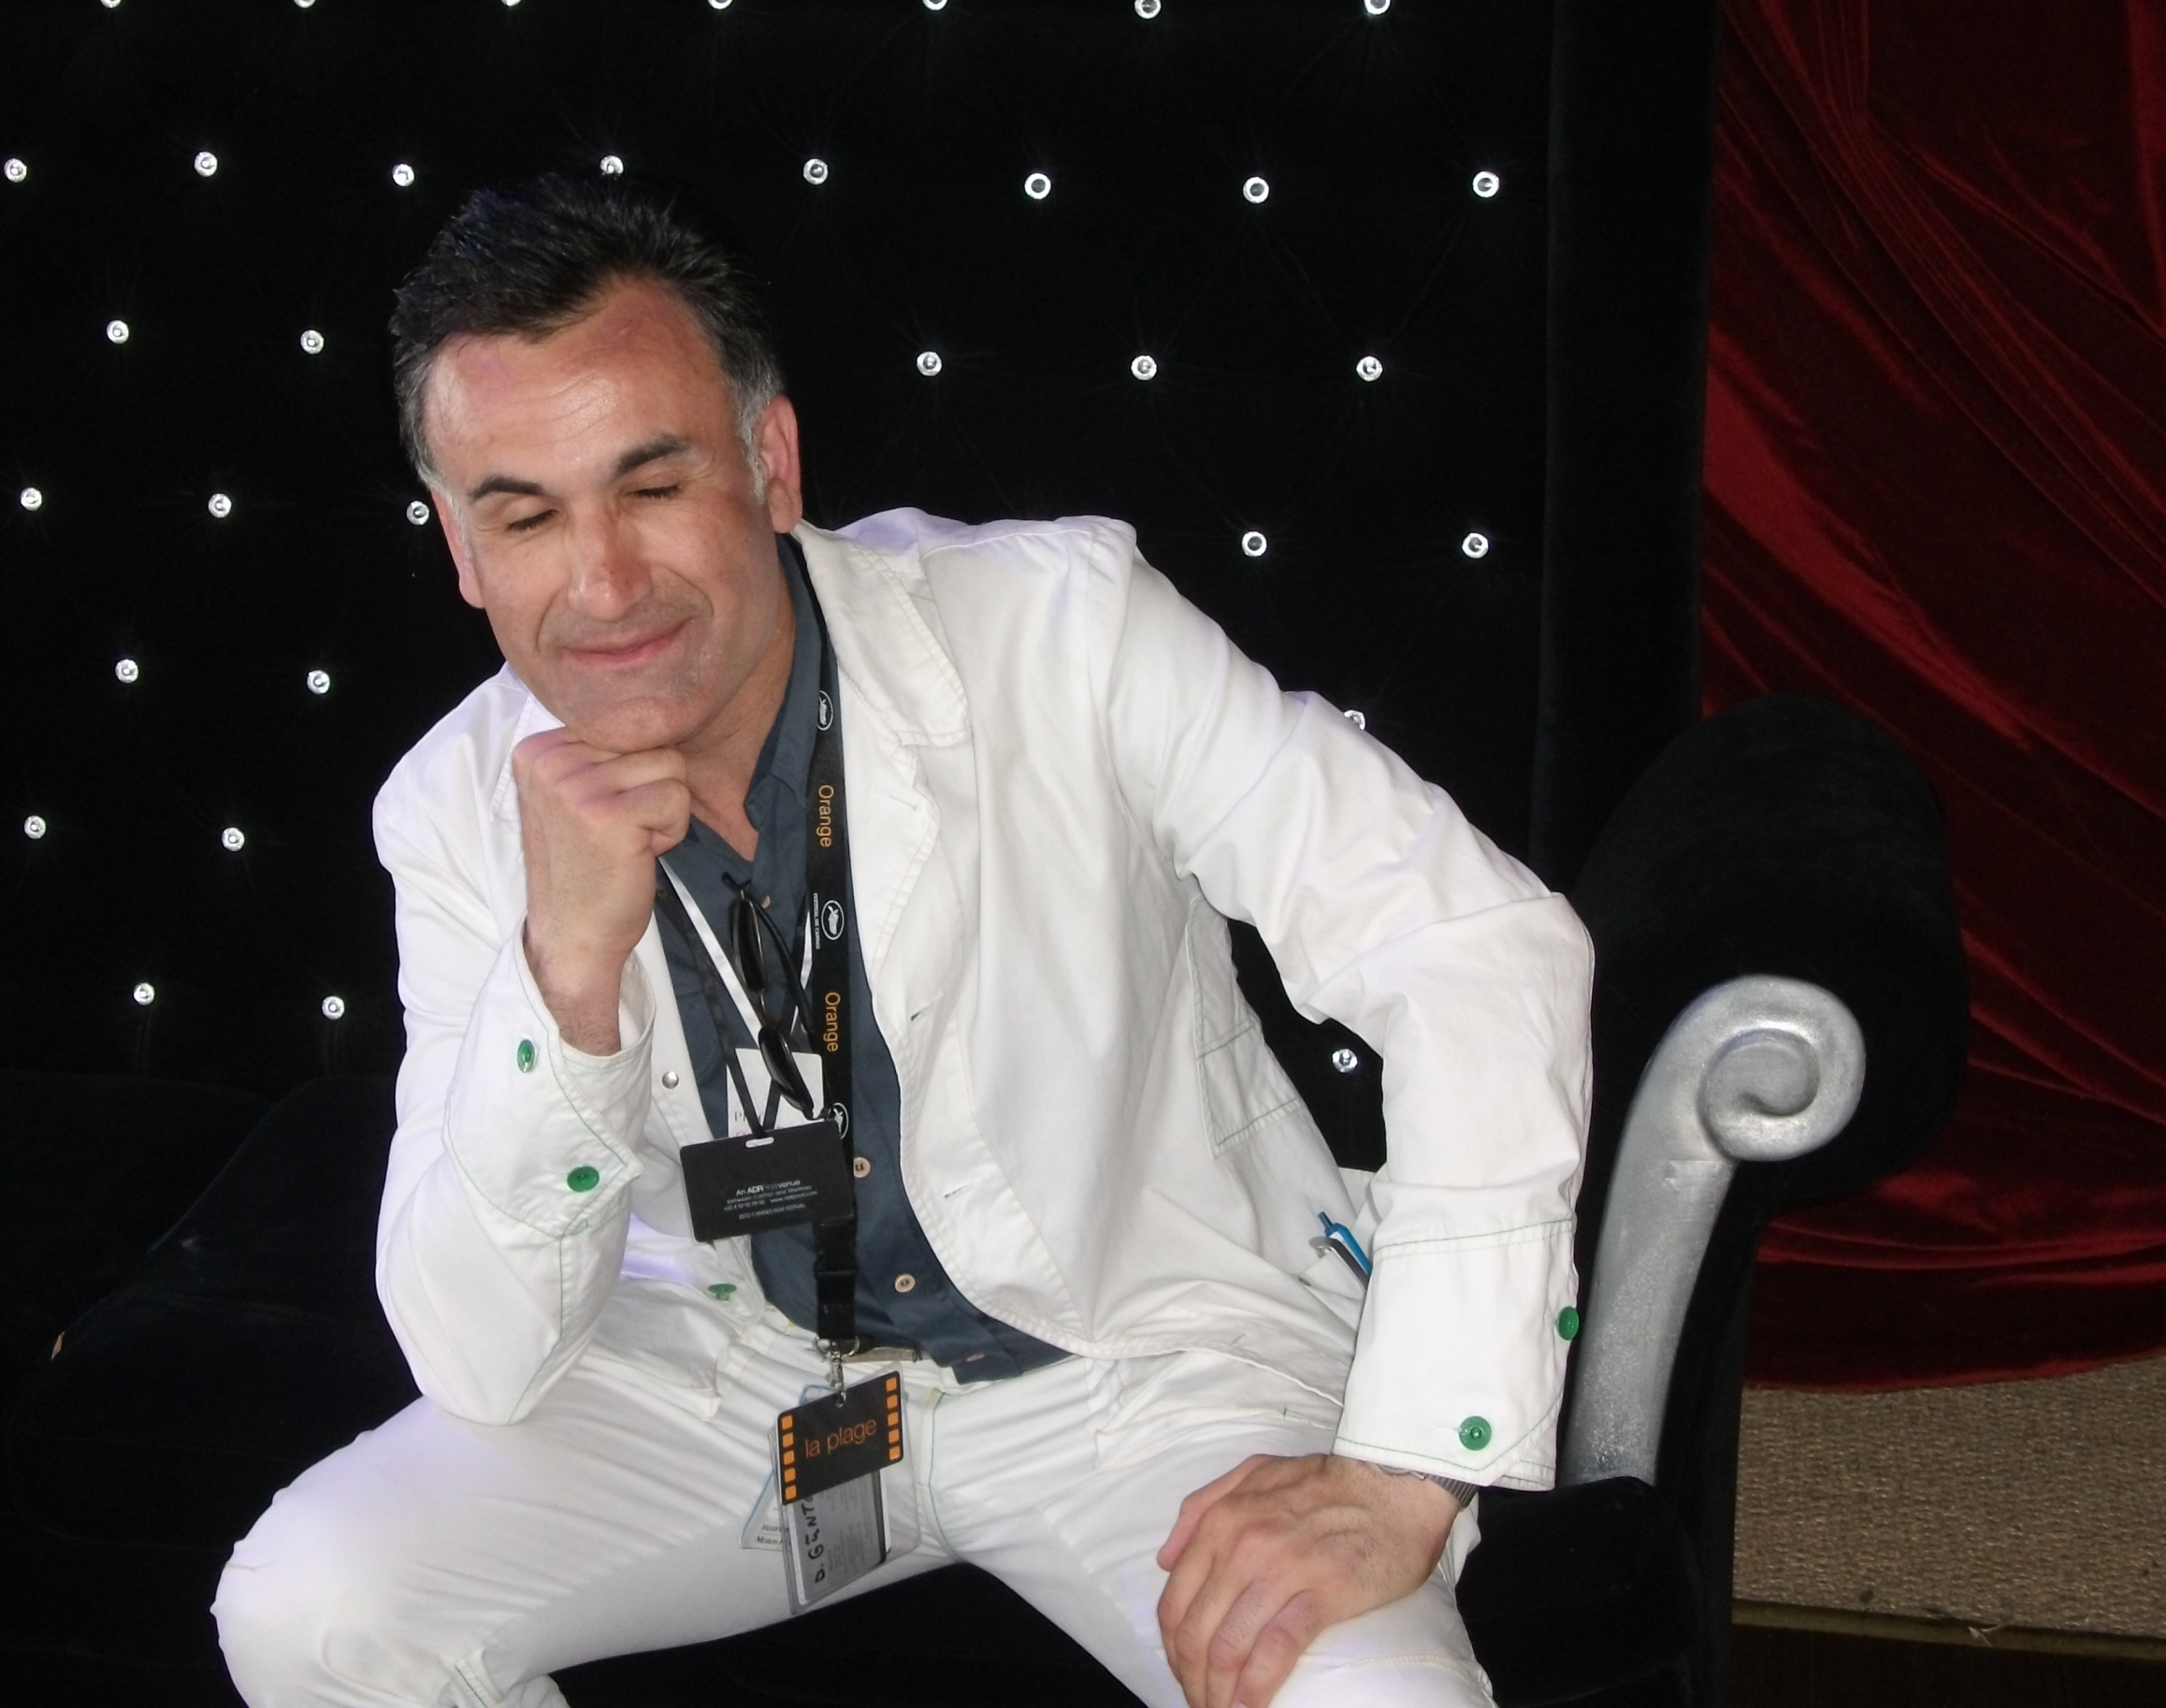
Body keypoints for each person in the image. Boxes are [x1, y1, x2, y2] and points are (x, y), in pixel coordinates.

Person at [213, 174, 1592, 1708]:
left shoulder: (1062, 628)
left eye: (653, 486)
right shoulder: (454, 809)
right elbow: (477, 1359)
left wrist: (1408, 1464)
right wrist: (568, 977)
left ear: (770, 462)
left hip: (1146, 1365)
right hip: (745, 1373)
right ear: (466, 554)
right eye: (525, 516)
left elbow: (1478, 947)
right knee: (312, 1610)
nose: (601, 584)